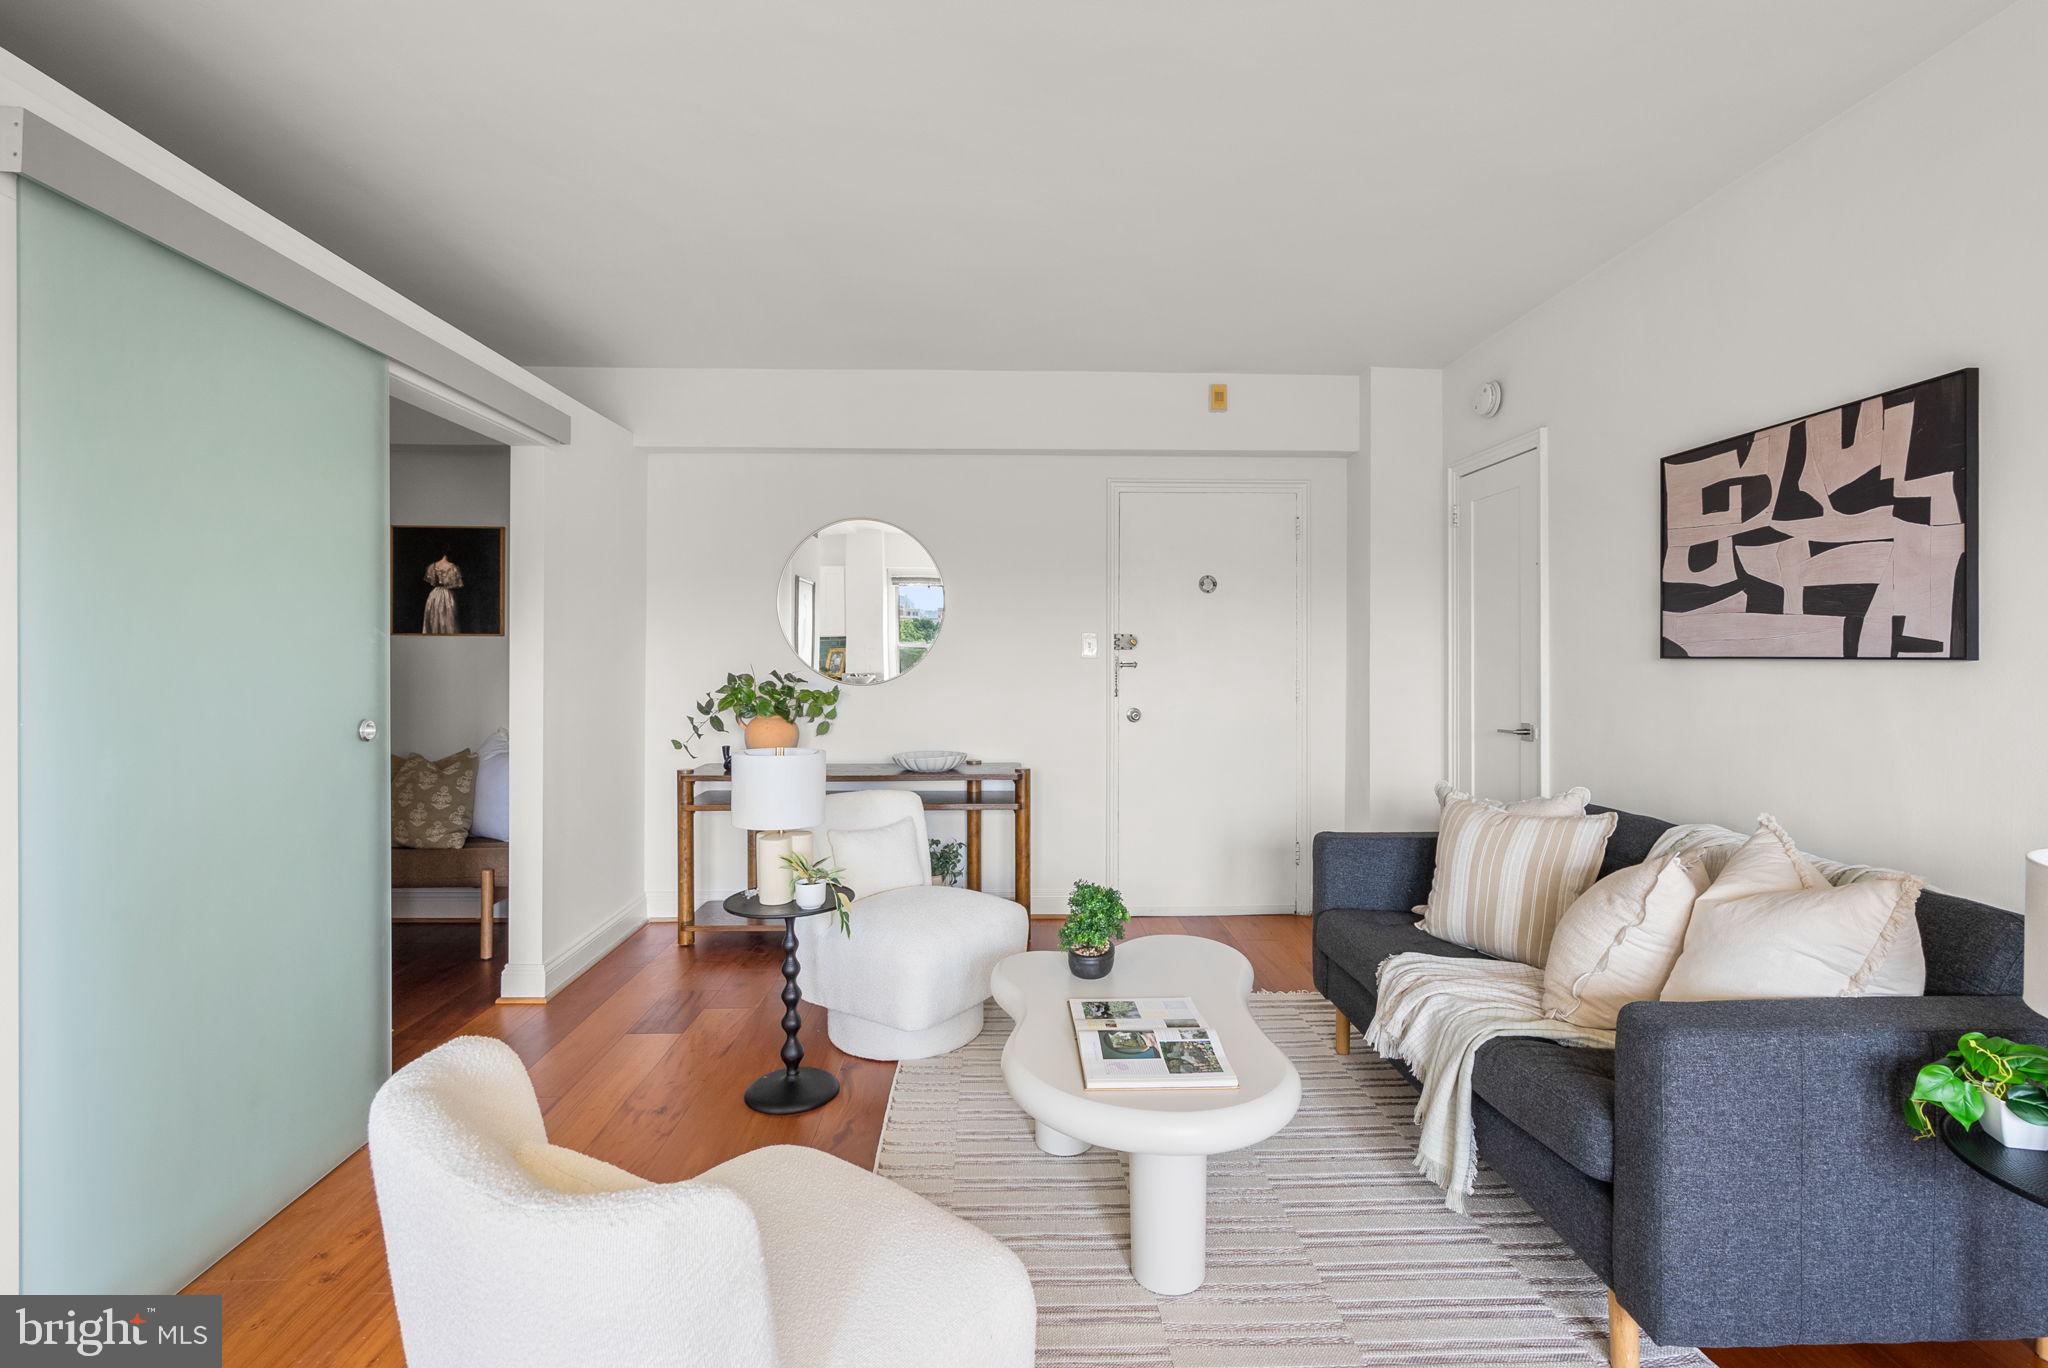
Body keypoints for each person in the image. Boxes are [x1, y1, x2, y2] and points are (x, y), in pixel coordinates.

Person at [422, 553, 463, 634]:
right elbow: (455, 585)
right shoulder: (452, 567)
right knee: (446, 619)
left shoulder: (433, 566)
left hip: (434, 595)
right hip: (447, 595)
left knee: (437, 618)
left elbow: (432, 582)